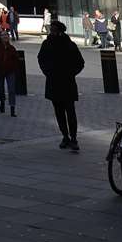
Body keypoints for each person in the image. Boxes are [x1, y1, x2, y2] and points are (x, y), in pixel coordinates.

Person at [38, 20, 85, 150]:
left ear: (60, 31)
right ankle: (65, 136)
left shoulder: (69, 45)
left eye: (54, 30)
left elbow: (80, 62)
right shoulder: (47, 44)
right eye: (51, 30)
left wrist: (71, 73)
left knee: (70, 111)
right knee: (59, 112)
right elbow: (41, 59)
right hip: (53, 81)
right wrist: (47, 72)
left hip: (67, 82)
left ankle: (73, 138)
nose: (52, 32)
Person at [0, 33, 22, 116]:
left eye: (6, 35)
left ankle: (12, 108)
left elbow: (16, 60)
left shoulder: (12, 48)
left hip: (10, 71)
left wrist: (15, 69)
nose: (5, 37)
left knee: (11, 89)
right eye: (3, 35)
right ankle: (2, 101)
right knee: (0, 88)